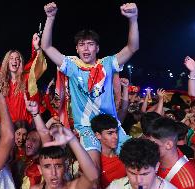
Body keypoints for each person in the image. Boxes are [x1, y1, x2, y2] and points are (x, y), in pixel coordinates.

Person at [41, 2, 139, 168]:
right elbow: (46, 47)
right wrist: (50, 18)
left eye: (90, 44)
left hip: (110, 125)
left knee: (135, 162)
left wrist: (133, 19)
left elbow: (132, 47)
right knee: (93, 170)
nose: (86, 48)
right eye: (81, 44)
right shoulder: (72, 66)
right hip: (86, 127)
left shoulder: (107, 64)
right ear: (77, 49)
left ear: (97, 48)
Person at [0, 33, 47, 124]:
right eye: (11, 58)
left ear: (20, 62)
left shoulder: (27, 78)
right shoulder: (2, 83)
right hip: (8, 128)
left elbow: (40, 65)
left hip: (25, 127)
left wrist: (37, 47)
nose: (14, 61)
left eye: (17, 58)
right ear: (7, 62)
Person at [30, 125, 99, 189]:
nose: (53, 173)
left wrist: (72, 140)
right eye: (47, 166)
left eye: (58, 166)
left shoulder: (73, 187)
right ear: (40, 169)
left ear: (65, 167)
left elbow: (93, 177)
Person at [146, 117, 195, 189]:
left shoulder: (187, 184)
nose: (147, 148)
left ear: (169, 145)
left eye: (152, 143)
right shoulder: (158, 156)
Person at [107, 138, 177, 189]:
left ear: (157, 167)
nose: (138, 181)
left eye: (145, 174)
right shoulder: (115, 186)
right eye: (132, 173)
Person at [91, 114, 126, 188]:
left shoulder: (125, 156)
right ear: (98, 135)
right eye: (110, 133)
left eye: (116, 132)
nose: (116, 137)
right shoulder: (92, 162)